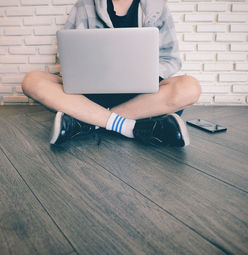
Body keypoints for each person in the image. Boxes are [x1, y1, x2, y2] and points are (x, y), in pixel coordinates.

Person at [22, 0, 201, 147]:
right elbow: (68, 55)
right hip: (90, 95)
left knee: (189, 87)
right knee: (33, 81)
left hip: (141, 97)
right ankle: (131, 126)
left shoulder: (157, 7)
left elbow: (170, 58)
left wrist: (145, 76)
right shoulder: (83, 6)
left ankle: (87, 121)